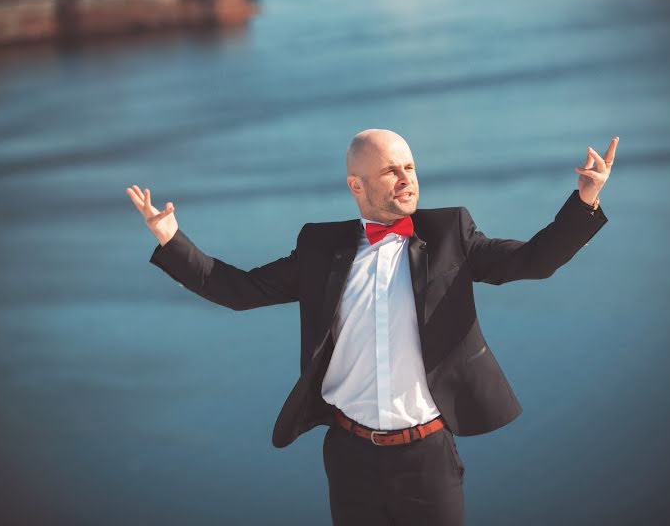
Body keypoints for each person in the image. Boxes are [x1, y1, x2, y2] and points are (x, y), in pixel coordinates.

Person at [126, 130, 617, 526]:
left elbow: (533, 261)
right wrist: (170, 238)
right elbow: (239, 291)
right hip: (349, 457)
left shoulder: (450, 234)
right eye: (389, 170)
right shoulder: (321, 248)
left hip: (426, 457)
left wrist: (585, 201)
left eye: (409, 167)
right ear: (355, 186)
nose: (405, 178)